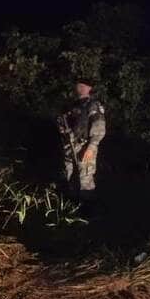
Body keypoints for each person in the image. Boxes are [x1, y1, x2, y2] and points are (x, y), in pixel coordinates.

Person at [58, 78, 106, 210]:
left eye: (83, 85)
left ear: (89, 88)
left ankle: (88, 211)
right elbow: (62, 124)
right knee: (70, 176)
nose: (79, 87)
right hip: (69, 146)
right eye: (78, 85)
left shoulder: (93, 105)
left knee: (85, 178)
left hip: (85, 146)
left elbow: (99, 127)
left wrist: (91, 146)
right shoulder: (71, 106)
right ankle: (71, 209)